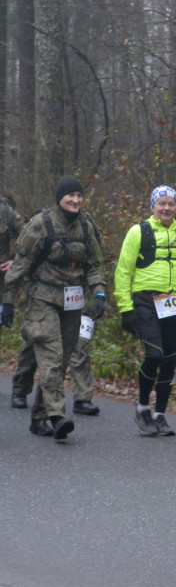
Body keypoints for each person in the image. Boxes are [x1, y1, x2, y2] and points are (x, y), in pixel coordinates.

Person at [0, 176, 105, 440]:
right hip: (43, 301)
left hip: (73, 303)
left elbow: (94, 264)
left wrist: (99, 291)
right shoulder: (40, 225)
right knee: (51, 357)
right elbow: (20, 265)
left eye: (79, 196)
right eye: (70, 195)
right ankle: (57, 416)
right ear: (59, 198)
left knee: (62, 359)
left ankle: (38, 419)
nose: (75, 200)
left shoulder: (86, 225)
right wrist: (8, 302)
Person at [113, 186, 176, 436]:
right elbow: (123, 271)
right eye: (161, 203)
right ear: (153, 206)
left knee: (169, 361)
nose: (166, 208)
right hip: (145, 299)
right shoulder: (138, 232)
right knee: (153, 355)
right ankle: (143, 407)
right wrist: (125, 307)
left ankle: (160, 414)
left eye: (171, 204)